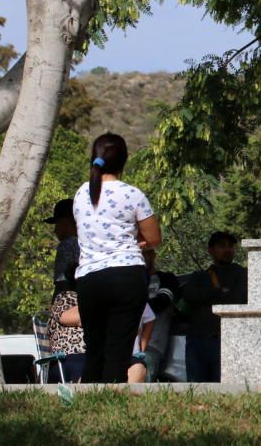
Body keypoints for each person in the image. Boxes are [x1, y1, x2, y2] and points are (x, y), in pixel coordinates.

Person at [73, 132, 162, 383]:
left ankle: (87, 407)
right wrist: (132, 240)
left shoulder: (81, 195)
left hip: (89, 278)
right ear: (124, 161)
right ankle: (112, 407)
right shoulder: (133, 194)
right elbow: (154, 238)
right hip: (126, 274)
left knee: (95, 350)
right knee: (119, 352)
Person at [182, 231, 247, 382]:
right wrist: (216, 291)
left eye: (230, 246)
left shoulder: (242, 274)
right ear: (210, 250)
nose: (227, 250)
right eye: (222, 246)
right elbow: (189, 297)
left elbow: (237, 299)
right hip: (198, 340)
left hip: (227, 340)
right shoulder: (199, 277)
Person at [142, 248, 181, 382]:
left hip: (151, 347)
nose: (141, 257)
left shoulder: (166, 278)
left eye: (145, 252)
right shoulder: (126, 282)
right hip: (123, 346)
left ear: (153, 255)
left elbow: (161, 302)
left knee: (141, 390)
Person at [47, 267, 86, 383]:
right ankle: (83, 399)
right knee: (88, 365)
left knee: (136, 366)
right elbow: (76, 317)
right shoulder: (65, 298)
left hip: (95, 355)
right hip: (68, 358)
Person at [45, 199, 79, 299]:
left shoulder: (67, 245)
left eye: (56, 224)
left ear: (65, 223)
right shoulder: (92, 243)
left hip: (75, 305)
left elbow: (62, 284)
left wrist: (56, 309)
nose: (55, 230)